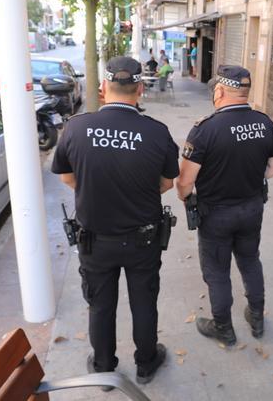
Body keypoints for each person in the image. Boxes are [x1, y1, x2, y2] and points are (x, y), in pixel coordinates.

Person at [51, 56, 179, 386]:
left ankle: (105, 369)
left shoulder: (75, 127)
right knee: (144, 303)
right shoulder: (157, 132)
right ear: (140, 90)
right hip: (143, 240)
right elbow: (166, 184)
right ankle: (147, 363)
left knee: (100, 306)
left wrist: (99, 186)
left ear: (103, 87)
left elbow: (67, 178)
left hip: (95, 241)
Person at [176, 65, 273, 345]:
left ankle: (223, 327)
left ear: (221, 91)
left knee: (217, 271)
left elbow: (186, 182)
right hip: (252, 208)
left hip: (216, 214)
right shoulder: (264, 122)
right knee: (250, 261)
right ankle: (257, 317)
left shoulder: (206, 130)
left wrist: (186, 196)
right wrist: (250, 178)